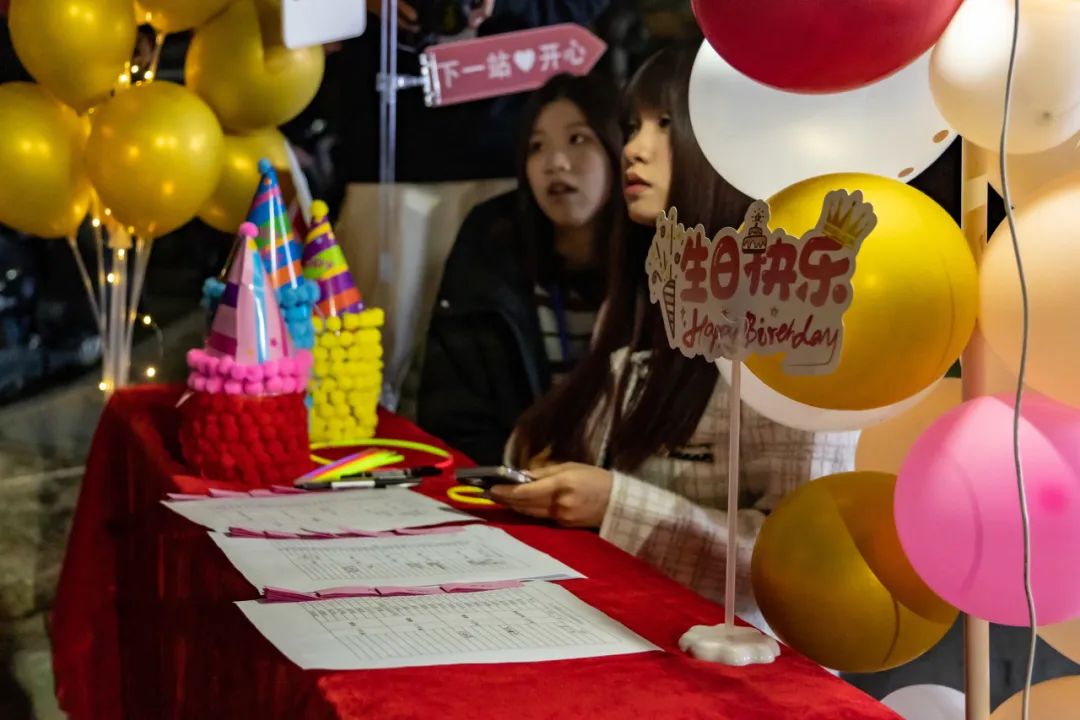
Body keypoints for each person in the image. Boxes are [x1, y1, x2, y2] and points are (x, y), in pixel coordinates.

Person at [493, 44, 858, 625]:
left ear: (729, 141)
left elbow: (799, 561)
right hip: (617, 619)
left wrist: (615, 504)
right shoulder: (645, 292)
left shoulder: (790, 323)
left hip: (745, 654)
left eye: (664, 123)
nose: (633, 149)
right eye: (631, 126)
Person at [418, 73, 623, 465]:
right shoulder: (490, 245)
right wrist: (519, 463)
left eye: (578, 139)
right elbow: (449, 415)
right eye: (536, 146)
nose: (555, 163)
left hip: (623, 489)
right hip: (514, 482)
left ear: (618, 149)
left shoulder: (657, 255)